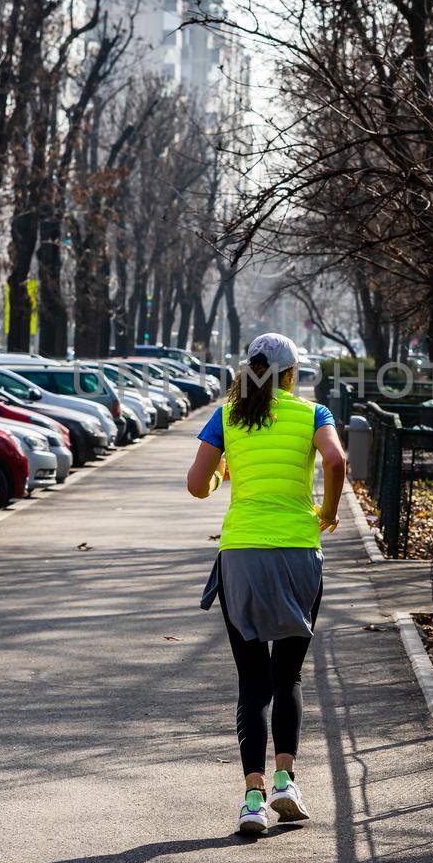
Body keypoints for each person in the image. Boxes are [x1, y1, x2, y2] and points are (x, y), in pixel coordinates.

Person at [187, 334, 347, 836]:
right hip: (299, 551)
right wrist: (328, 512)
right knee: (289, 677)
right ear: (292, 375)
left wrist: (222, 478)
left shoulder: (226, 416)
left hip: (242, 556)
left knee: (252, 682)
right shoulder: (313, 413)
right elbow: (337, 461)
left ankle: (252, 799)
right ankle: (285, 781)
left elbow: (197, 484)